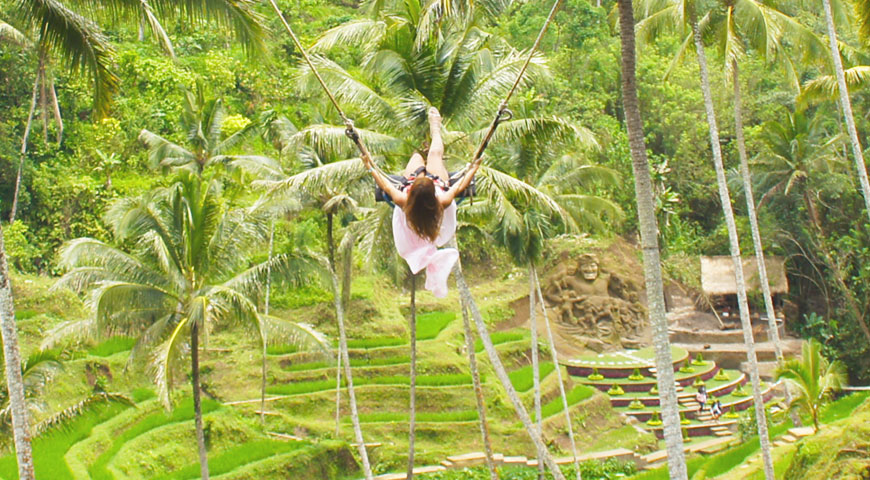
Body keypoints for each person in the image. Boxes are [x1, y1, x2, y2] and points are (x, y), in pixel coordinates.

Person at [364, 107, 482, 298]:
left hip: (420, 183)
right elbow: (459, 186)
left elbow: (385, 186)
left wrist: (370, 167)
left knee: (417, 158)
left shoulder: (403, 200)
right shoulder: (442, 200)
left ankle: (424, 150)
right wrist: (473, 169)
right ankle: (435, 127)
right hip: (438, 182)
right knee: (435, 155)